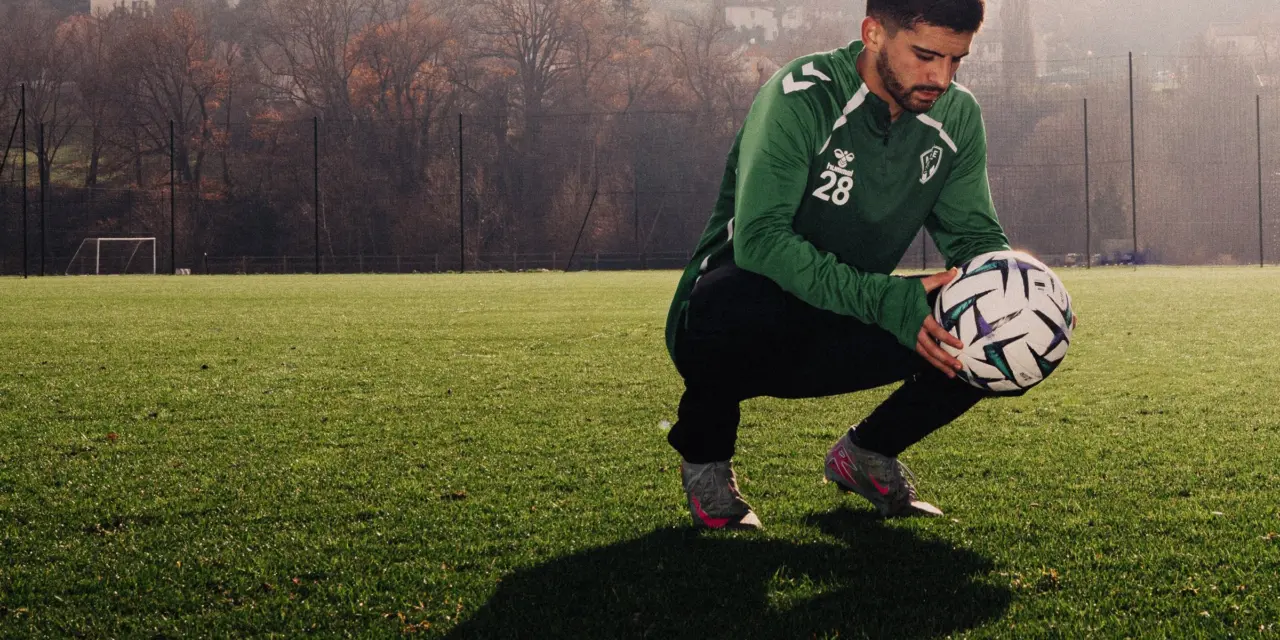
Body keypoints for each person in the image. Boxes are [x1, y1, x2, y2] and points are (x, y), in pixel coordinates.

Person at [664, 0, 1012, 530]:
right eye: (925, 56)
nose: (940, 77)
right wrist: (886, 298)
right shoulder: (802, 94)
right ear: (873, 34)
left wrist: (1024, 291)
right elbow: (759, 241)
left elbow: (974, 237)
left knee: (1000, 325)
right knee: (724, 300)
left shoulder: (956, 115)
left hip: (847, 319)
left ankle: (868, 453)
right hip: (748, 324)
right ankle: (707, 461)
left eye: (956, 61)